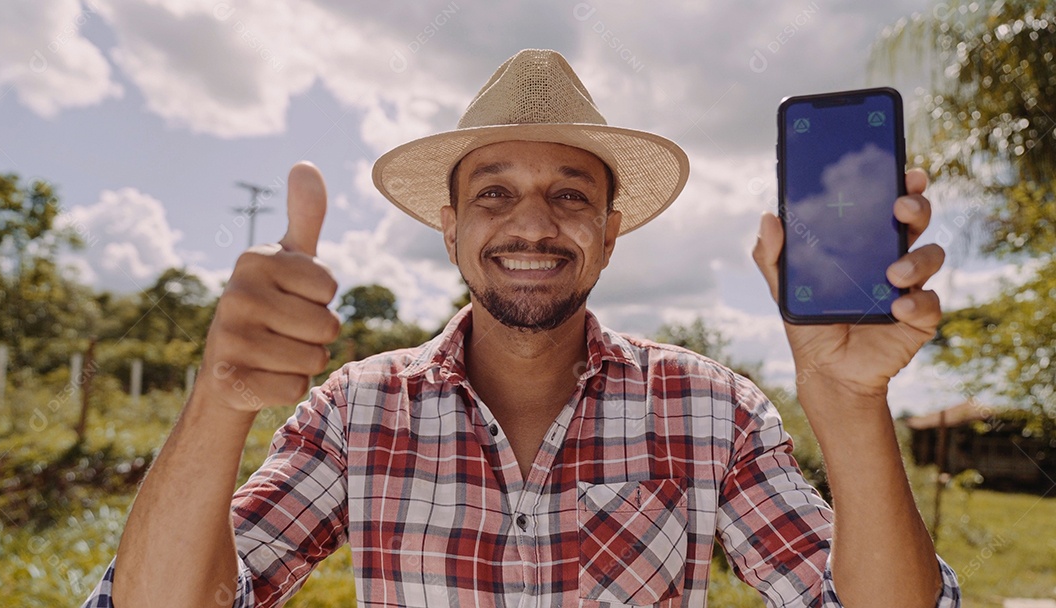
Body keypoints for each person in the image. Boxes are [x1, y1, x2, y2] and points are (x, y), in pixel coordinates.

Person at [84, 49, 960, 607]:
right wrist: (219, 399)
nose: (532, 225)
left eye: (571, 196)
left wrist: (848, 402)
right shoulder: (356, 412)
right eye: (494, 193)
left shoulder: (712, 408)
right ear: (452, 227)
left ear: (611, 233)